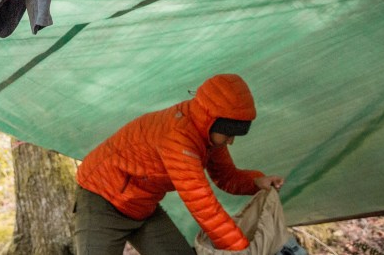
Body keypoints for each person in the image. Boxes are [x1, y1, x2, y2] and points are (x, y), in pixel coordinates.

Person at [74, 73, 285, 254]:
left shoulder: (209, 136)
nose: (231, 141)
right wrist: (242, 250)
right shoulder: (178, 137)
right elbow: (203, 206)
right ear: (212, 120)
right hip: (102, 199)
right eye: (228, 133)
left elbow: (226, 176)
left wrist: (256, 182)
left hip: (143, 206)